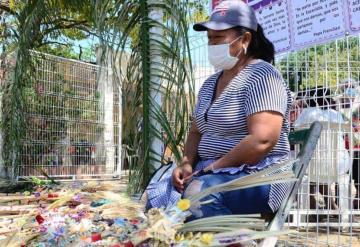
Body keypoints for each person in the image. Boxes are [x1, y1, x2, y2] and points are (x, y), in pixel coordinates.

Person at [145, 0, 292, 220]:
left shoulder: (262, 75)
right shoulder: (210, 84)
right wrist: (186, 163)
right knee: (154, 197)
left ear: (245, 39)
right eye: (209, 39)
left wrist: (211, 169)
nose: (212, 45)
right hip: (211, 173)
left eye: (218, 38)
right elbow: (196, 131)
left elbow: (262, 140)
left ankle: (235, 243)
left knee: (198, 194)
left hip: (260, 175)